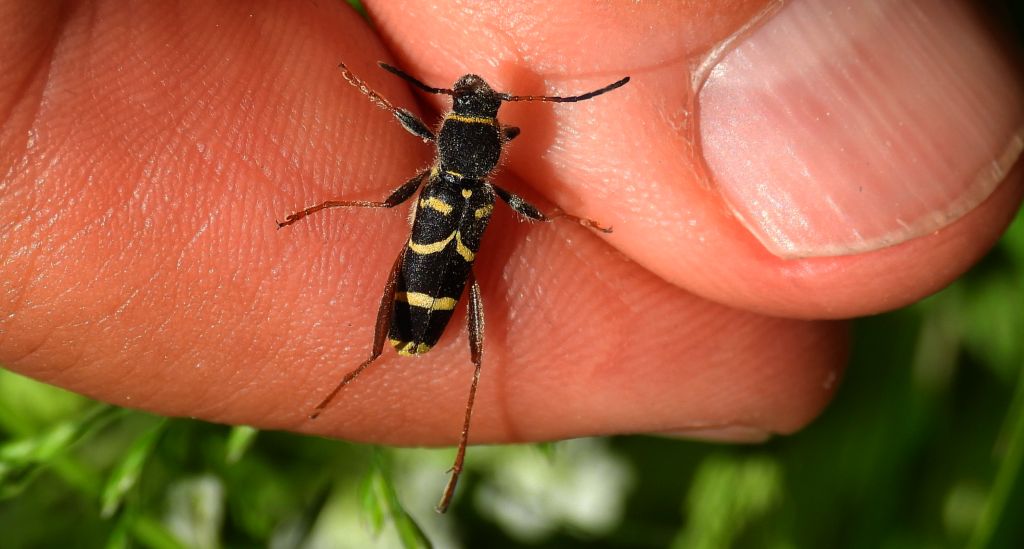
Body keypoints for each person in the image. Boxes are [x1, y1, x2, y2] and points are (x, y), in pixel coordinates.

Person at [1, 1, 1020, 448]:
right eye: (471, 111)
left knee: (435, 275)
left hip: (430, 276)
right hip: (433, 273)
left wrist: (360, 133)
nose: (474, 110)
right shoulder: (481, 182)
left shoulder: (456, 172)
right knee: (432, 269)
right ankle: (378, 377)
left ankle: (390, 388)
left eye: (473, 114)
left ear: (465, 136)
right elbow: (477, 189)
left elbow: (424, 161)